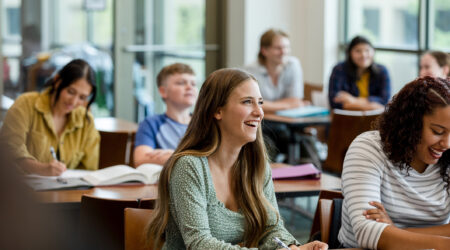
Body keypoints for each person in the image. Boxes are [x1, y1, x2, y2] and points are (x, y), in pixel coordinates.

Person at [146, 68, 328, 250]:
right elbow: (199, 244)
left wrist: (291, 247)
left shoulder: (257, 164)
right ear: (217, 111)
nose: (259, 112)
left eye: (260, 103)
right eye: (247, 102)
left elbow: (271, 229)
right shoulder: (189, 166)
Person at [338, 76, 450, 249]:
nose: (447, 144)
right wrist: (443, 242)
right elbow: (367, 232)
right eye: (437, 131)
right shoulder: (369, 148)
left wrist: (394, 231)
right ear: (411, 123)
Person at [0, 59, 99, 176]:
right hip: (23, 191)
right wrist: (39, 168)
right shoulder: (26, 104)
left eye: (82, 97)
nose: (74, 101)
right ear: (57, 81)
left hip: (68, 193)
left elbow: (90, 170)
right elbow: (10, 150)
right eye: (71, 92)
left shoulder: (86, 120)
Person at [245, 29, 309, 161]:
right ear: (264, 51)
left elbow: (296, 100)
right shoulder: (249, 71)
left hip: (286, 123)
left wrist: (269, 105)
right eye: (278, 48)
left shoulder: (293, 65)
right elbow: (254, 105)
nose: (283, 52)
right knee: (268, 147)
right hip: (261, 123)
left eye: (286, 47)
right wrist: (287, 105)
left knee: (306, 146)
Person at [133, 63, 197, 166]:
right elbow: (140, 159)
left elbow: (214, 158)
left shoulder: (205, 123)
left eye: (193, 84)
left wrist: (174, 155)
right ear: (163, 91)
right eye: (181, 83)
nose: (189, 87)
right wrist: (194, 157)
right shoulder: (151, 123)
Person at [328, 36, 391, 110]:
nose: (363, 55)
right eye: (358, 51)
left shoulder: (382, 71)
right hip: (346, 118)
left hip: (374, 118)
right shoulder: (339, 69)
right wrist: (372, 106)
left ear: (373, 52)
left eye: (367, 50)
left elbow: (384, 101)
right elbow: (334, 102)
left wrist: (353, 100)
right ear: (350, 53)